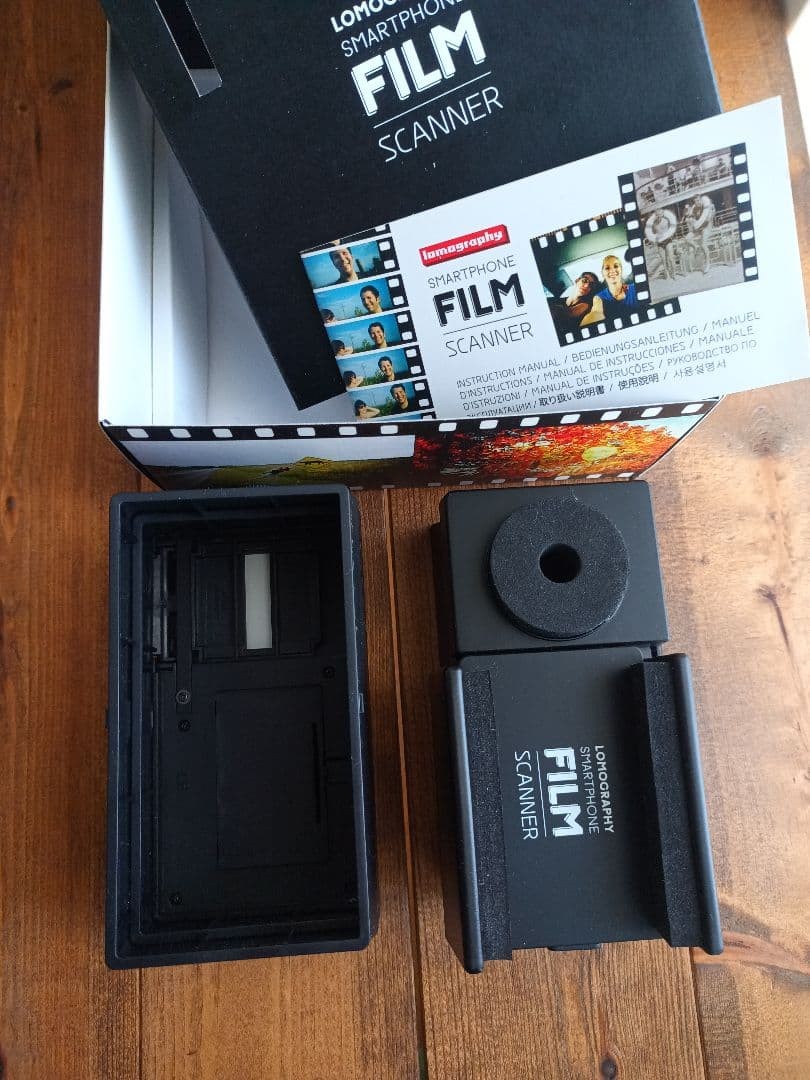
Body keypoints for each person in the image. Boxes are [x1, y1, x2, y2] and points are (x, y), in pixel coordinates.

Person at [587, 254, 640, 322]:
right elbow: (596, 312)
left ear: (621, 270)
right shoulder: (598, 298)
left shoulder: (636, 287)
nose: (612, 270)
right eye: (607, 268)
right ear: (602, 273)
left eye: (616, 266)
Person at [682, 193, 715, 274]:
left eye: (698, 200)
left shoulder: (706, 206)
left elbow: (708, 219)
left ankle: (708, 263)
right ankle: (695, 247)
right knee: (687, 238)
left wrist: (712, 211)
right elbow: (690, 218)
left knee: (703, 245)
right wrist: (688, 215)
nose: (697, 202)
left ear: (701, 199)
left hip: (706, 227)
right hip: (698, 228)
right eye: (695, 201)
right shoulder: (694, 209)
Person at [644, 208, 678, 280]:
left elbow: (670, 231)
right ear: (655, 215)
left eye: (660, 214)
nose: (658, 216)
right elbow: (652, 234)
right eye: (657, 215)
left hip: (668, 241)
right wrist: (655, 238)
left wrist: (666, 236)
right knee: (663, 260)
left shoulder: (666, 221)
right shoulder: (654, 224)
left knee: (671, 258)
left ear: (662, 214)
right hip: (660, 243)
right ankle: (667, 274)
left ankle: (674, 273)